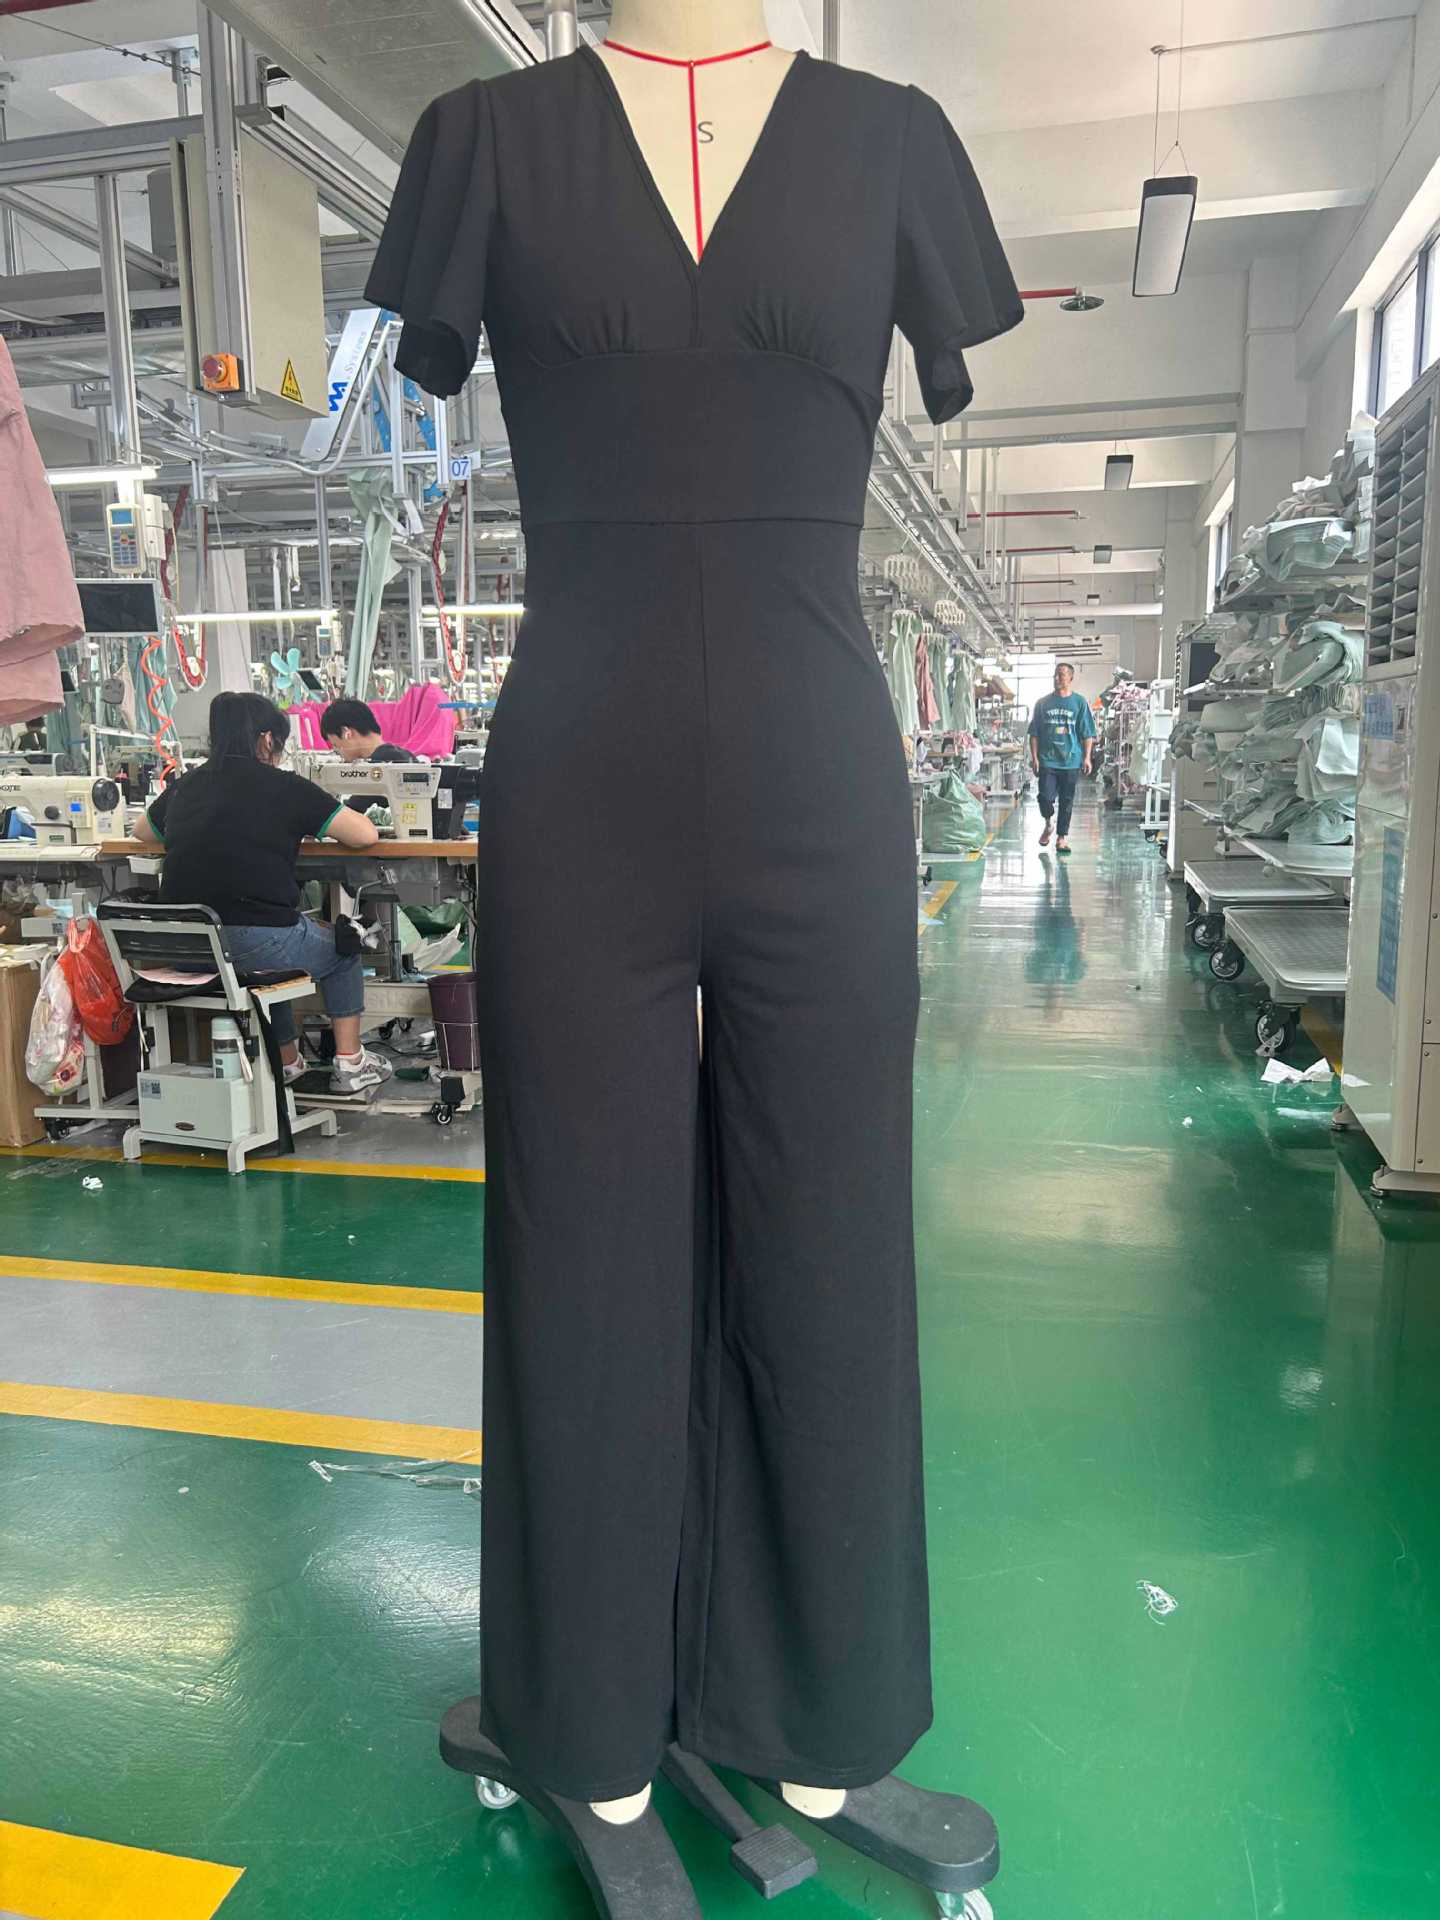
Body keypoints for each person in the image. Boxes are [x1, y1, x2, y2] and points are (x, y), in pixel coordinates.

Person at [134, 692, 394, 1095]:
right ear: (268, 739)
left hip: (188, 948)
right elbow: (364, 834)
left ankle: (287, 1062)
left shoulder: (186, 785)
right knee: (344, 945)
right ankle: (351, 1064)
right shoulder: (284, 787)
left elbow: (142, 831)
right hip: (253, 943)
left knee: (280, 945)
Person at [1028, 661, 1095, 853]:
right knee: (1045, 797)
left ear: (1070, 678)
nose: (1057, 678)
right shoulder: (1042, 703)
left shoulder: (1079, 702)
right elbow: (1034, 733)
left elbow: (1087, 733)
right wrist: (1035, 757)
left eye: (1061, 675)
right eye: (1055, 675)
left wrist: (1087, 757)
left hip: (1071, 760)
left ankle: (1062, 837)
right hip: (1047, 759)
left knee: (1067, 801)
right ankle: (1048, 823)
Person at [318, 698, 418, 763]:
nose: (337, 752)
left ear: (346, 733)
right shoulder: (406, 755)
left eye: (336, 745)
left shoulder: (378, 766)